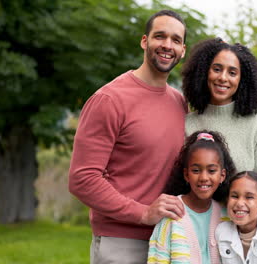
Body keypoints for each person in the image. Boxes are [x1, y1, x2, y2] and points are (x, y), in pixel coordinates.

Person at [68, 10, 188, 264]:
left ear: (183, 50)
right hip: (121, 243)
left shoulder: (179, 103)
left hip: (171, 239)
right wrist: (143, 213)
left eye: (175, 40)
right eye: (160, 36)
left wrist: (256, 126)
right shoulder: (109, 99)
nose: (167, 45)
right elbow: (82, 179)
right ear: (144, 41)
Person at [182, 38, 257, 217]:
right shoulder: (187, 124)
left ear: (242, 79)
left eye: (232, 72)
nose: (223, 78)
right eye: (217, 69)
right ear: (204, 72)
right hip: (194, 228)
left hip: (241, 231)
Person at [147, 130, 236, 264]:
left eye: (211, 171)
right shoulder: (172, 212)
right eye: (196, 170)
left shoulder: (226, 215)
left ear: (222, 175)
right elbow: (157, 258)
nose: (204, 178)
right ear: (186, 175)